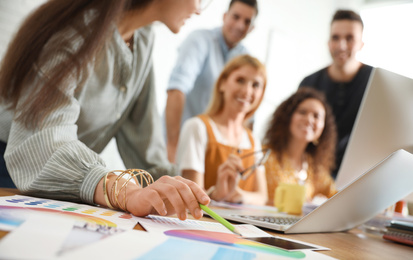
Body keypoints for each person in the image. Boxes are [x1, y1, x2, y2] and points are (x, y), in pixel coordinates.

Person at [0, 0, 212, 220]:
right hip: (14, 168)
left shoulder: (144, 38)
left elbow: (144, 140)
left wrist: (186, 192)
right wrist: (124, 191)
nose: (199, 9)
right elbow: (44, 140)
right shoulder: (75, 31)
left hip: (66, 182)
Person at [165, 0, 258, 162]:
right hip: (179, 144)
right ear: (224, 16)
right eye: (236, 17)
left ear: (252, 28)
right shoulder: (200, 40)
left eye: (247, 21)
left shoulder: (247, 59)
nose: (240, 25)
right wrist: (173, 146)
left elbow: (247, 115)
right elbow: (177, 88)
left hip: (212, 153)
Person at [176, 54, 268, 205]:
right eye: (240, 80)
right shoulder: (197, 127)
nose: (247, 91)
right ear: (222, 84)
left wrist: (239, 195)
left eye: (256, 85)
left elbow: (262, 197)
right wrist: (216, 194)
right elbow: (191, 198)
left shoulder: (253, 140)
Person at [298, 9, 373, 179]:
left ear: (361, 43)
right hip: (313, 175)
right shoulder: (309, 83)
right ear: (328, 42)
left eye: (350, 38)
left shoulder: (376, 82)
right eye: (335, 37)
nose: (342, 45)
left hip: (359, 176)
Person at [263, 88, 337, 205]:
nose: (309, 119)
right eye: (302, 112)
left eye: (316, 116)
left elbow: (336, 196)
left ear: (324, 127)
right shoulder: (264, 156)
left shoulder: (315, 168)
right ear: (288, 117)